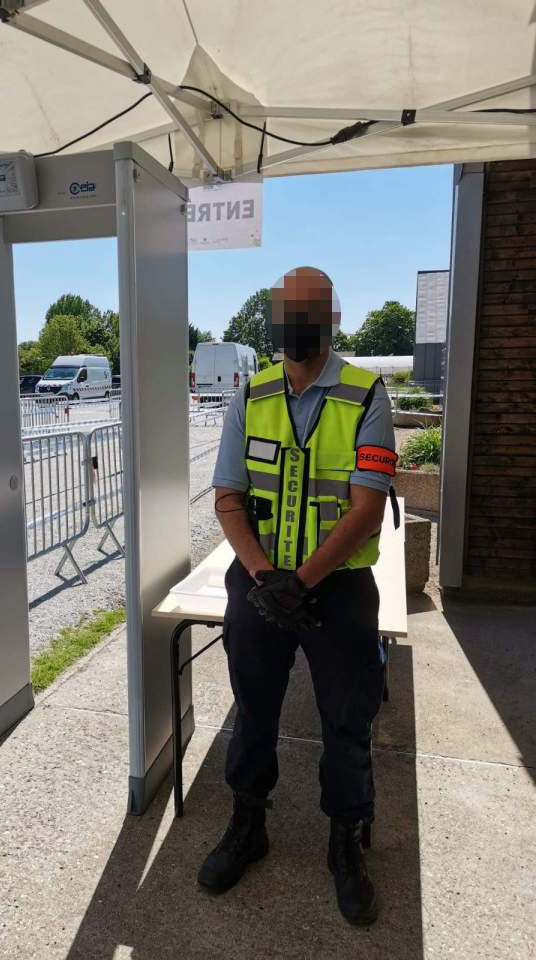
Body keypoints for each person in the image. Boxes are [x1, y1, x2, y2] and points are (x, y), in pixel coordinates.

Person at [199, 266, 397, 926]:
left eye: (310, 310)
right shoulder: (249, 393)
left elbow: (367, 508)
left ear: (332, 320)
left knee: (346, 720)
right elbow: (228, 499)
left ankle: (346, 845)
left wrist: (302, 583)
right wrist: (263, 579)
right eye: (288, 310)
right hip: (261, 586)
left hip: (336, 591)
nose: (297, 322)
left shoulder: (367, 392)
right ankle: (247, 825)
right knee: (254, 710)